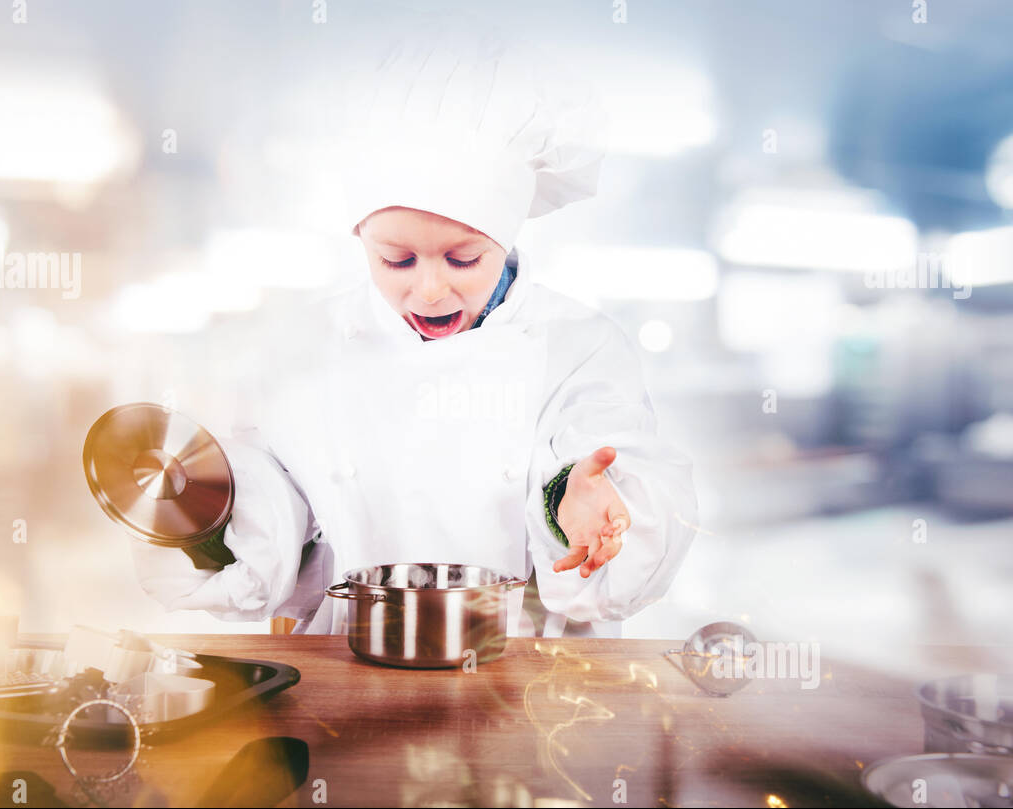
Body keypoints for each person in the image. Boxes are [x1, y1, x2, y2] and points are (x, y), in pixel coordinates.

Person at [130, 28, 698, 637]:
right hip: (350, 663)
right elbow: (276, 517)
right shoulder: (303, 346)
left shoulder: (578, 346)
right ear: (361, 242)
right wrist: (201, 508)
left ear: (505, 241)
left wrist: (578, 503)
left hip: (531, 684)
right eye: (397, 261)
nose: (429, 291)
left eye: (463, 260)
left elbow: (621, 503)